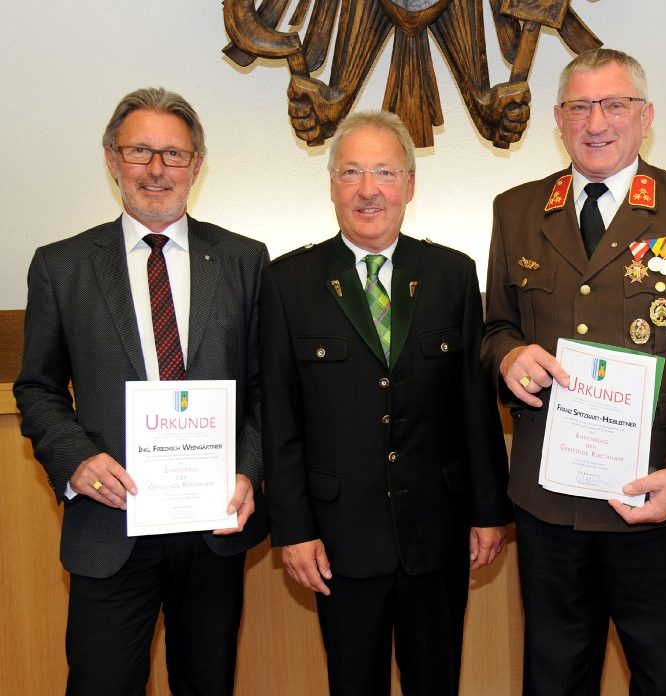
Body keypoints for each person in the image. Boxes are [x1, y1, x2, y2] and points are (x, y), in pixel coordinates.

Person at [482, 48, 666, 695]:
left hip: (655, 498)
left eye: (614, 104)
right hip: (551, 504)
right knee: (553, 677)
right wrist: (509, 357)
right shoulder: (517, 209)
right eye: (580, 106)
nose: (596, 121)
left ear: (645, 116)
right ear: (558, 118)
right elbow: (495, 330)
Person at [14, 87, 269, 695]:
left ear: (197, 166)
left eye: (174, 155)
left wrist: (249, 472)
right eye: (140, 152)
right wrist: (75, 461)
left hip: (212, 531)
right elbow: (37, 388)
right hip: (111, 526)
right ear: (111, 159)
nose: (157, 170)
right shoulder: (62, 266)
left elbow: (265, 389)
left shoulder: (244, 261)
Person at [260, 110, 511, 696]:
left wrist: (488, 509)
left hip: (437, 533)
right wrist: (292, 529)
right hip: (338, 540)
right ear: (331, 186)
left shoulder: (452, 274)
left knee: (436, 682)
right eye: (351, 172)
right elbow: (280, 418)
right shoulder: (288, 282)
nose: (368, 190)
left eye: (384, 172)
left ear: (410, 185)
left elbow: (474, 408)